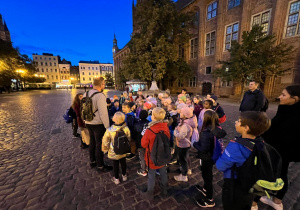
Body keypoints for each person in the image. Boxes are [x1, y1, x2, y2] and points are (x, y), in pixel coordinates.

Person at [216, 111, 271, 210]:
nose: (235, 122)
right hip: (250, 184)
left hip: (234, 184)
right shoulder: (259, 142)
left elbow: (220, 165)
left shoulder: (236, 147)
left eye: (239, 121)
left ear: (246, 128)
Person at [257, 85, 300, 210]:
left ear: (295, 99)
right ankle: (276, 201)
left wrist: (262, 136)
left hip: (280, 150)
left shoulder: (294, 115)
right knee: (282, 173)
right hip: (280, 149)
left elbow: (281, 133)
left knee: (264, 173)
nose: (279, 97)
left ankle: (254, 203)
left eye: (283, 95)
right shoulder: (286, 108)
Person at [193, 110, 227, 207]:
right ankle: (205, 188)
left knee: (207, 176)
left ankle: (209, 199)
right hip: (213, 155)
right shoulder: (217, 128)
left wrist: (195, 143)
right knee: (207, 173)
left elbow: (203, 148)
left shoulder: (206, 132)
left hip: (206, 157)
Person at [140, 107, 170, 200]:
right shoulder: (166, 127)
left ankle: (150, 192)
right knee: (163, 172)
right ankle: (165, 190)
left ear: (153, 117)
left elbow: (143, 144)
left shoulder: (150, 130)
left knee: (151, 175)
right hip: (163, 155)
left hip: (152, 156)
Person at [84, 77, 112, 172]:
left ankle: (92, 161)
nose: (104, 86)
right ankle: (100, 165)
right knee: (99, 144)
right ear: (101, 84)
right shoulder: (100, 96)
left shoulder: (86, 93)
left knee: (92, 142)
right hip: (97, 124)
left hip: (88, 122)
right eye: (104, 84)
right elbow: (103, 113)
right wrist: (107, 127)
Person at [102, 112, 131, 185]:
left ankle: (116, 178)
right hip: (124, 149)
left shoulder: (110, 130)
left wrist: (105, 149)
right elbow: (129, 138)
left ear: (114, 119)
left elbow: (105, 141)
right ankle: (124, 175)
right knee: (123, 162)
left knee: (115, 164)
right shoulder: (126, 128)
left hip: (114, 151)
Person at [174, 107, 197, 182]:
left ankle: (184, 176)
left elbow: (181, 136)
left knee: (183, 160)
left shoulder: (185, 125)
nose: (179, 113)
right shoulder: (187, 121)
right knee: (186, 157)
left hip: (183, 144)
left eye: (181, 113)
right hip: (186, 144)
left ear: (184, 115)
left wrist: (175, 132)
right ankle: (188, 169)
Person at [133, 110, 149, 176]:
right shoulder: (149, 123)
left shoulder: (137, 124)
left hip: (140, 143)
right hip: (148, 143)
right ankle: (148, 167)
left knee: (142, 157)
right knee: (148, 155)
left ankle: (143, 170)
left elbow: (134, 134)